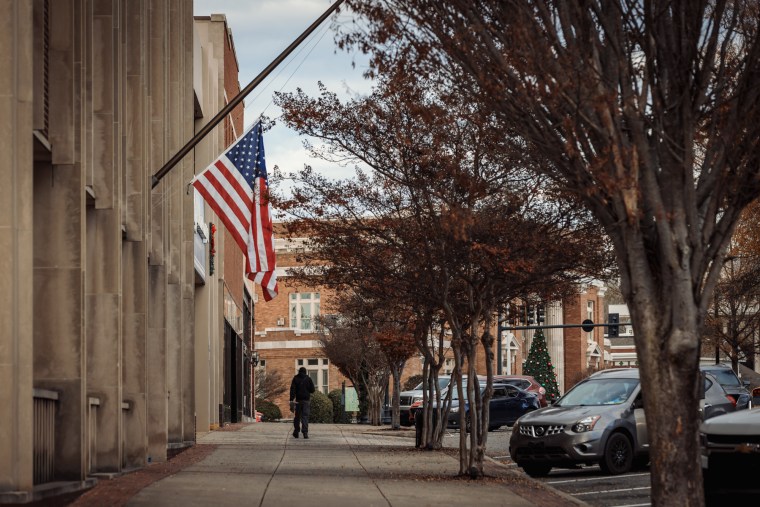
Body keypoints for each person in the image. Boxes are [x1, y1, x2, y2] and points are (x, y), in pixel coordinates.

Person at [290, 366, 315, 438]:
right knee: (305, 416)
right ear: (305, 372)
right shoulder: (308, 379)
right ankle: (305, 432)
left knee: (297, 416)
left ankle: (296, 431)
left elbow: (292, 389)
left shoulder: (295, 378)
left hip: (298, 400)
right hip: (306, 401)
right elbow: (312, 390)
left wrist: (291, 399)